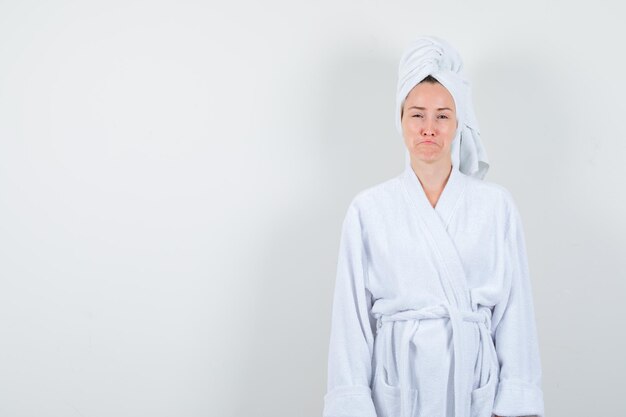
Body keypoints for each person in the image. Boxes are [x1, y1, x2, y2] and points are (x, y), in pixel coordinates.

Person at [322, 36, 545, 417]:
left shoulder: (495, 207)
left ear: (459, 123)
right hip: (397, 389)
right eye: (417, 114)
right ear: (401, 119)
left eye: (442, 115)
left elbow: (514, 313)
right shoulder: (368, 209)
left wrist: (514, 404)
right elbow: (351, 322)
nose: (429, 128)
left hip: (475, 387)